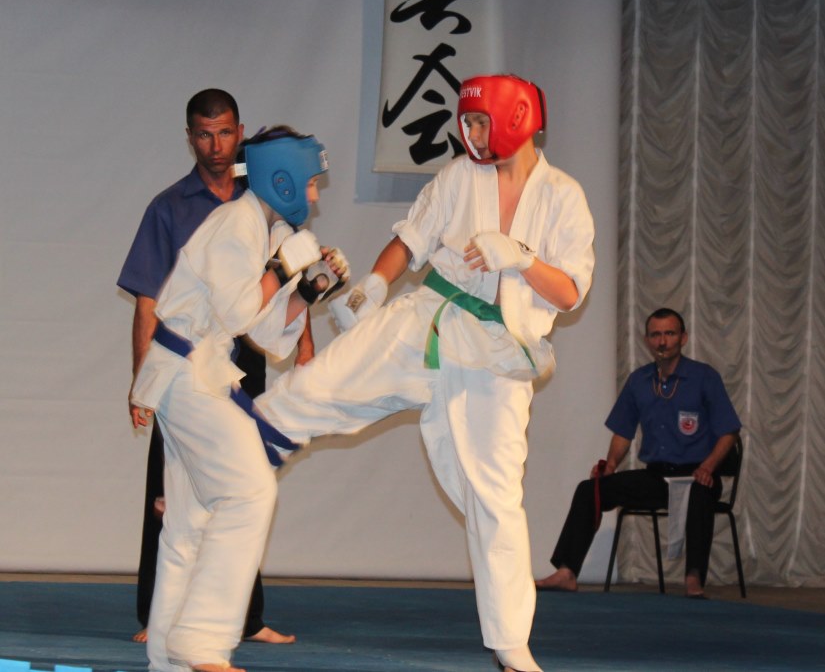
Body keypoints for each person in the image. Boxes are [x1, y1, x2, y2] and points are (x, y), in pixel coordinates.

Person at [254, 74, 595, 672]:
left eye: (482, 122)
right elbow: (409, 243)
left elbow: (569, 293)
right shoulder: (460, 177)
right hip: (427, 319)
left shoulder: (563, 196)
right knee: (319, 385)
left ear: (516, 119)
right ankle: (226, 458)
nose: (473, 134)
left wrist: (522, 259)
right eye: (470, 123)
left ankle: (512, 646)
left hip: (496, 356)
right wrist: (376, 284)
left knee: (493, 498)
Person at [128, 125, 346, 672]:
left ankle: (167, 658)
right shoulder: (234, 224)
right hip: (186, 372)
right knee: (250, 492)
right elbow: (235, 311)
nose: (314, 195)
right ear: (282, 180)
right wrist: (281, 269)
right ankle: (201, 640)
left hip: (195, 373)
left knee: (187, 524)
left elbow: (265, 332)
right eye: (311, 183)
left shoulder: (267, 232)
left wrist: (311, 290)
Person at [117, 89, 304, 646]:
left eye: (225, 133)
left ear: (240, 133)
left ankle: (241, 618)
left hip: (239, 359)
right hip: (186, 364)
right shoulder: (172, 207)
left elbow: (283, 289)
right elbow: (149, 300)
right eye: (204, 134)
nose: (216, 145)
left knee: (236, 485)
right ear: (190, 137)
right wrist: (142, 382)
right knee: (203, 491)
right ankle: (167, 619)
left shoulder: (261, 200)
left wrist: (307, 341)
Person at [535, 308, 741, 599]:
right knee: (589, 489)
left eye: (669, 334)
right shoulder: (639, 381)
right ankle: (567, 572)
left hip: (698, 475)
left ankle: (694, 578)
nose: (662, 341)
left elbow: (729, 431)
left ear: (683, 338)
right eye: (656, 335)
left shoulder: (704, 377)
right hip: (657, 477)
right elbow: (623, 432)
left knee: (699, 494)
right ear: (647, 340)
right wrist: (611, 465)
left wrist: (708, 467)